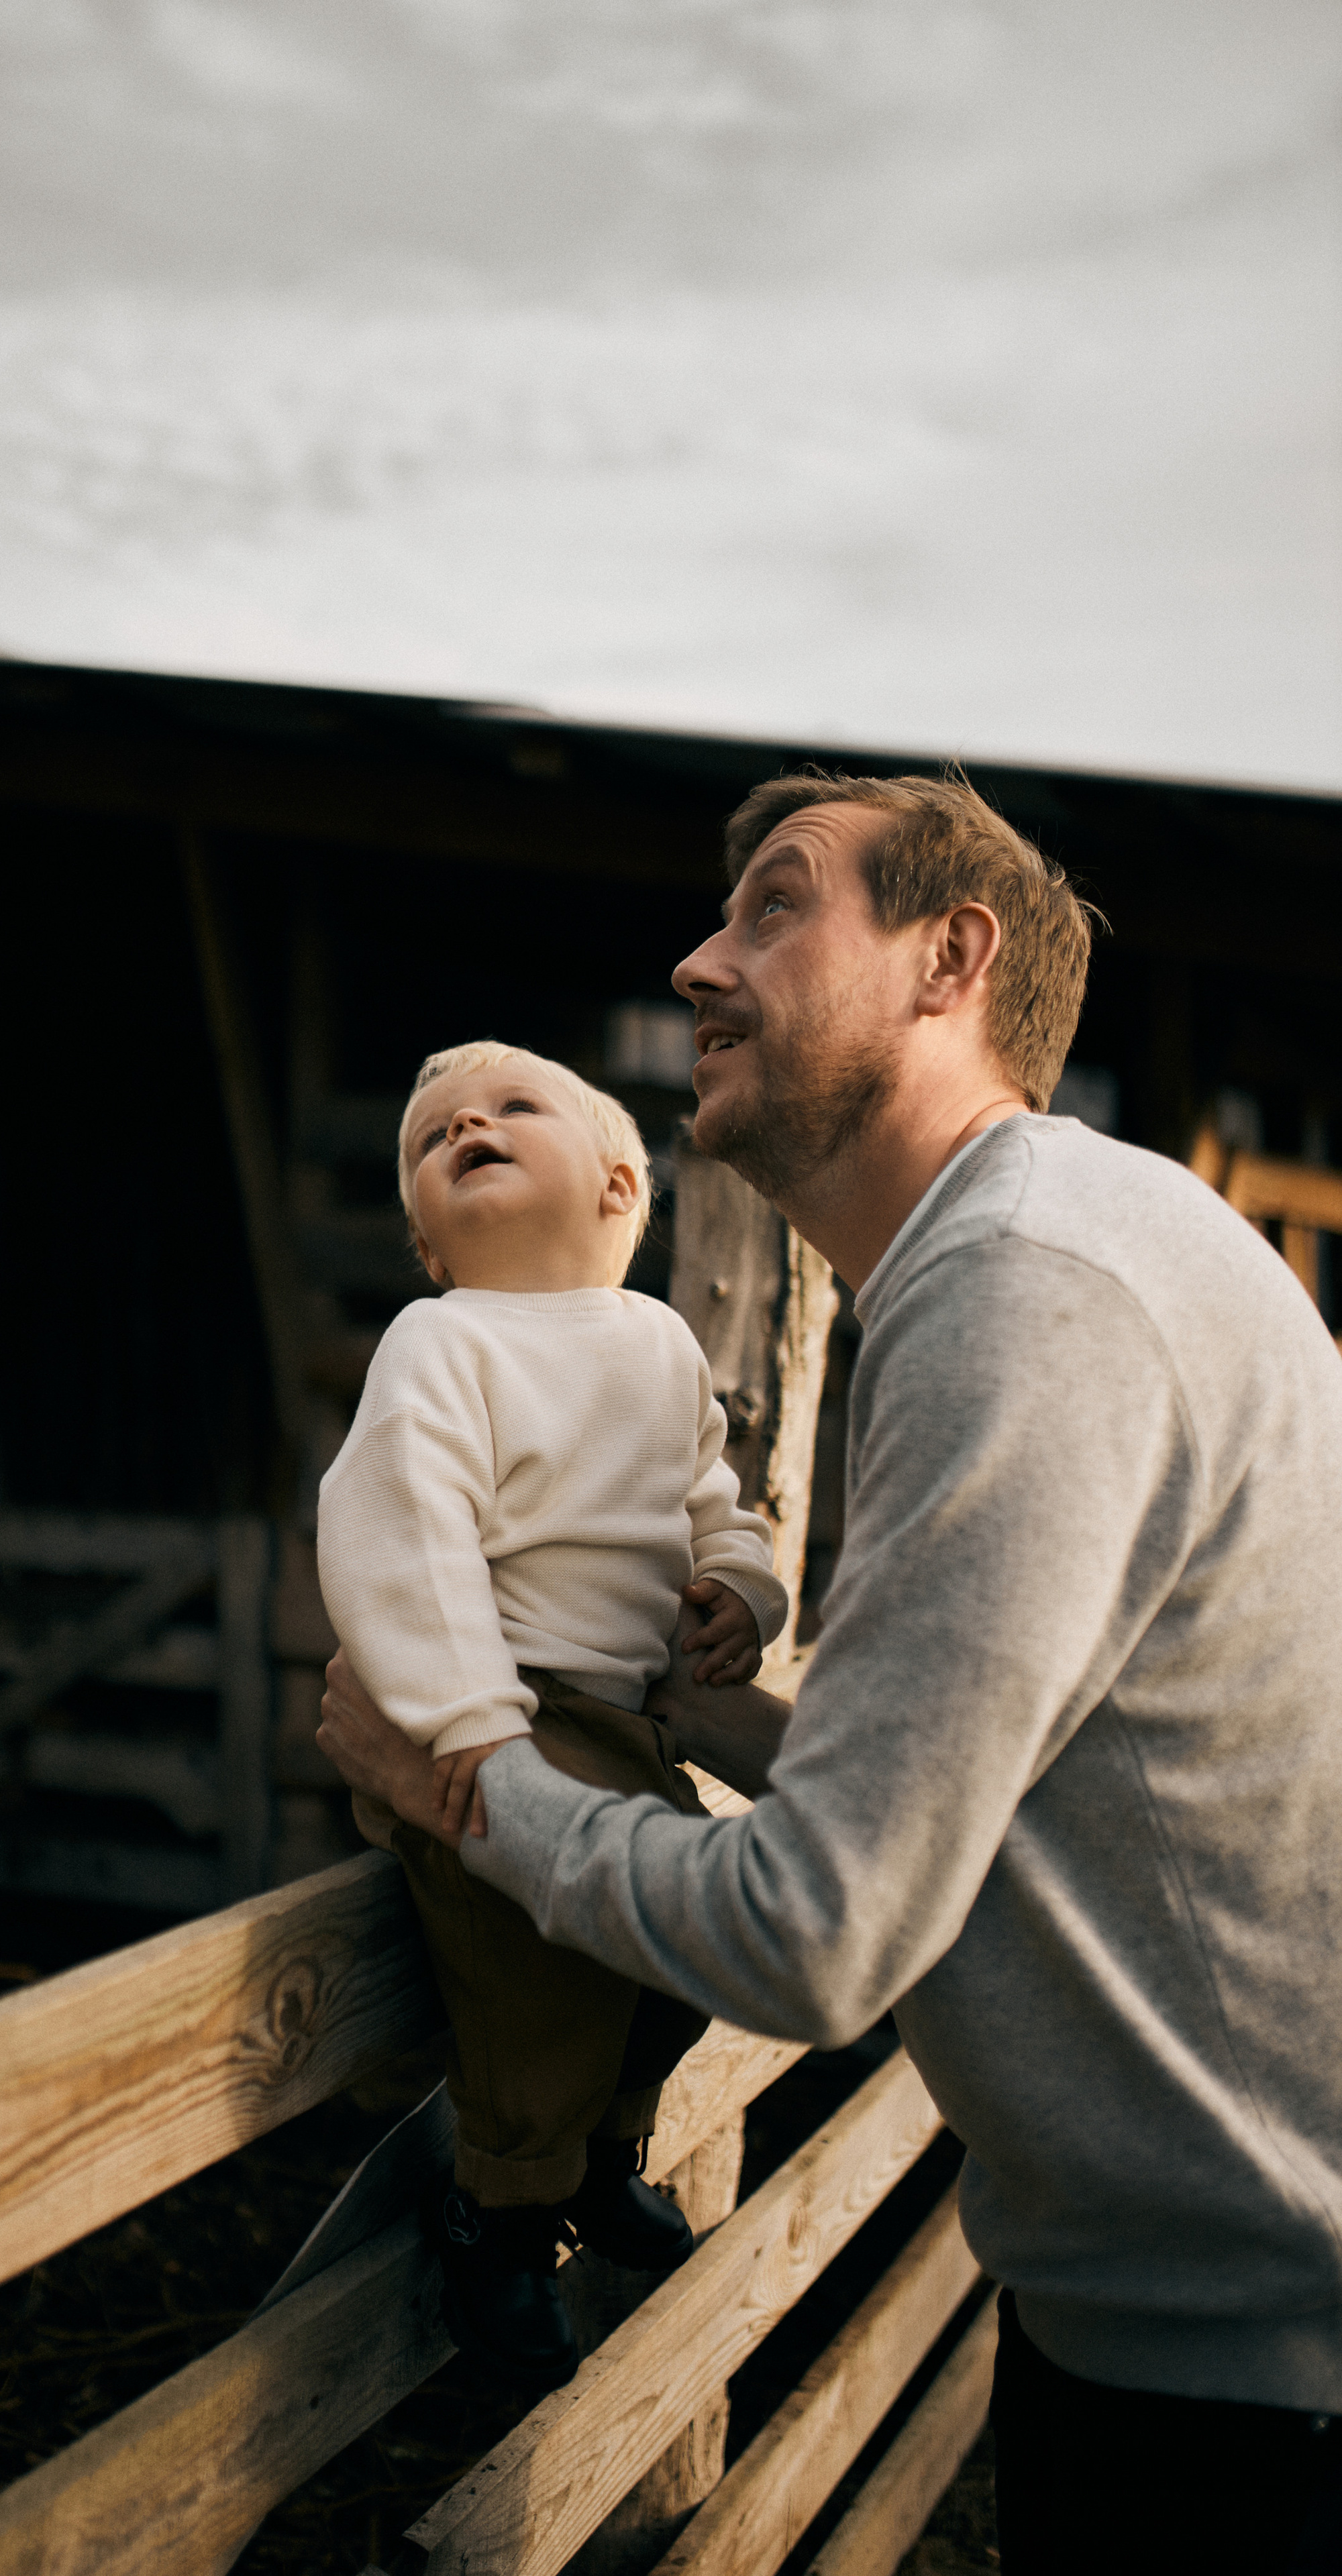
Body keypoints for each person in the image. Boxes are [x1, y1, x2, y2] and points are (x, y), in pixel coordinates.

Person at [318, 773, 1342, 2571]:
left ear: (953, 960)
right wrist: (701, 1711)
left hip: (1250, 2402)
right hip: (1222, 2330)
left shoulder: (1023, 1293)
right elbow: (1017, 1793)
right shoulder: (1079, 1241)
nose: (701, 958)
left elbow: (817, 1931)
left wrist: (464, 1790)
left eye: (777, 905)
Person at [317, 1038, 786, 2390]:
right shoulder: (442, 1342)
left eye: (513, 1107)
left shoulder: (657, 1344)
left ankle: (603, 2152)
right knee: (530, 1980)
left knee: (678, 1957)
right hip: (490, 1708)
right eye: (430, 1136)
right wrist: (465, 1723)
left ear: (619, 1183)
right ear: (425, 1244)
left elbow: (712, 1500)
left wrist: (739, 1589)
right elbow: (397, 1531)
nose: (465, 1123)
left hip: (629, 1720)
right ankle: (502, 2220)